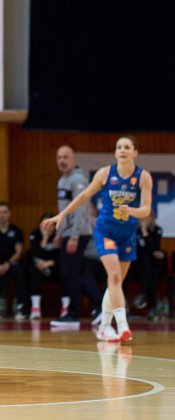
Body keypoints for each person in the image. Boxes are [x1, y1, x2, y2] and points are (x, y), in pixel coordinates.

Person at [43, 136, 153, 342]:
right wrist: (62, 214)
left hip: (127, 233)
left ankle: (103, 326)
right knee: (115, 277)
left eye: (127, 147)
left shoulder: (143, 177)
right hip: (106, 231)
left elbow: (146, 208)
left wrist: (133, 210)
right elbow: (84, 196)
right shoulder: (105, 173)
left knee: (116, 282)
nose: (122, 150)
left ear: (135, 153)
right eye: (119, 147)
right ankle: (122, 326)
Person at [50, 145, 102, 327]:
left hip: (78, 234)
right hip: (68, 234)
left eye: (65, 157)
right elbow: (64, 211)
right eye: (59, 157)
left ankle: (74, 314)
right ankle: (97, 307)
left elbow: (81, 210)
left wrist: (73, 236)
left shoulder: (78, 179)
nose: (62, 161)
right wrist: (59, 233)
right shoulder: (63, 180)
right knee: (71, 273)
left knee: (71, 273)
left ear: (73, 159)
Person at [23, 212, 59, 320]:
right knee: (34, 271)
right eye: (44, 224)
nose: (47, 227)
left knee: (67, 270)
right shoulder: (35, 234)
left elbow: (63, 256)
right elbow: (35, 254)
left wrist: (50, 263)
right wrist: (45, 238)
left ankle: (66, 308)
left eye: (50, 224)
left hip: (55, 268)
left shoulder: (59, 236)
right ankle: (35, 308)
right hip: (40, 269)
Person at [132, 211, 166, 319]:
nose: (145, 219)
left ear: (152, 218)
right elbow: (138, 249)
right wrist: (142, 231)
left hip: (150, 265)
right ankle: (152, 306)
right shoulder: (135, 231)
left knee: (151, 267)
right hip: (136, 265)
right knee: (149, 266)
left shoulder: (157, 230)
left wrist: (145, 232)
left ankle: (142, 295)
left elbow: (152, 248)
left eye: (148, 217)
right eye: (143, 217)